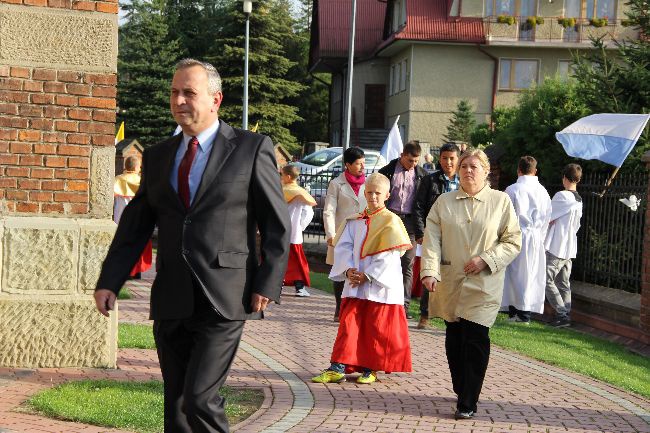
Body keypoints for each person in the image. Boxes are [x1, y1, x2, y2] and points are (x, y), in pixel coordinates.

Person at [94, 59, 290, 433]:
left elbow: (275, 222)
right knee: (178, 404)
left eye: (189, 92)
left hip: (226, 295)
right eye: (174, 92)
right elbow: (135, 225)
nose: (179, 100)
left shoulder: (251, 148)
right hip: (172, 295)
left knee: (201, 397)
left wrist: (268, 281)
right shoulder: (159, 155)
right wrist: (110, 280)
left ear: (215, 99)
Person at [420, 148, 521, 420]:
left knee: (476, 338)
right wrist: (429, 271)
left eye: (474, 166)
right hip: (451, 281)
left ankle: (468, 400)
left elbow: (512, 240)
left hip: (484, 283)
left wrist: (486, 259)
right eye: (464, 166)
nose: (467, 170)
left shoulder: (501, 202)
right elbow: (432, 240)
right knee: (455, 340)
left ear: (486, 171)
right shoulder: (444, 201)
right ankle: (461, 388)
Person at [312, 173, 412, 384]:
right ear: (363, 193)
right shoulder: (354, 220)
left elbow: (392, 255)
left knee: (375, 328)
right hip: (355, 282)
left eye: (377, 193)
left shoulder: (391, 221)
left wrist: (369, 275)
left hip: (377, 286)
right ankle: (337, 367)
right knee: (349, 325)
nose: (373, 197)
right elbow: (344, 246)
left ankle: (370, 368)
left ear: (387, 194)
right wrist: (348, 270)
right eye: (369, 192)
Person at [413, 142, 461, 329]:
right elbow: (418, 207)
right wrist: (420, 232)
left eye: (452, 158)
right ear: (439, 159)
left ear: (458, 159)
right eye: (444, 158)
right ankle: (425, 314)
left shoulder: (464, 181)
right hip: (433, 234)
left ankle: (453, 315)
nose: (448, 162)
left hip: (457, 236)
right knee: (430, 272)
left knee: (456, 274)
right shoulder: (429, 181)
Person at [379, 141, 428, 319]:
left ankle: (403, 306)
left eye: (416, 161)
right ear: (402, 155)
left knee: (407, 264)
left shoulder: (422, 175)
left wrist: (421, 227)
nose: (412, 165)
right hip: (390, 220)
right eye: (409, 161)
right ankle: (383, 302)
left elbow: (423, 203)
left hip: (410, 223)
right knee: (385, 260)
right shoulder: (387, 171)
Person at [502, 156, 552, 324]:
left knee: (515, 274)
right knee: (529, 274)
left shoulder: (512, 189)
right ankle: (519, 312)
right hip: (536, 236)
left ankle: (520, 313)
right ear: (535, 171)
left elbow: (505, 215)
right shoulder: (543, 191)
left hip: (516, 234)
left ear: (518, 170)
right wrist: (541, 238)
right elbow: (547, 217)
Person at [323, 147, 368, 321]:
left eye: (364, 163)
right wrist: (330, 234)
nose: (362, 167)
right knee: (340, 269)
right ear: (347, 165)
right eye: (358, 164)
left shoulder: (369, 182)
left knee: (358, 269)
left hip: (363, 232)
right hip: (341, 233)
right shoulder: (336, 183)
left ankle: (354, 308)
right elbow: (329, 210)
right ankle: (339, 307)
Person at [545, 164, 583, 328]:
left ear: (565, 178)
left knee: (546, 279)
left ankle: (562, 314)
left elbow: (547, 216)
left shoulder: (562, 196)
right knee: (563, 282)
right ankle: (565, 315)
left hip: (558, 245)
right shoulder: (579, 199)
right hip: (570, 246)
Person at [113, 156, 152, 279]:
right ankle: (136, 272)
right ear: (136, 167)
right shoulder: (142, 181)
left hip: (120, 218)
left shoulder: (117, 179)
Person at [281, 164, 316, 297]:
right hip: (294, 233)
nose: (281, 177)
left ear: (288, 176)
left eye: (282, 174)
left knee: (277, 259)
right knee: (298, 262)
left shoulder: (278, 190)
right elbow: (308, 213)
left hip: (278, 232)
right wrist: (300, 227)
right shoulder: (301, 193)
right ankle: (299, 287)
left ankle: (276, 285)